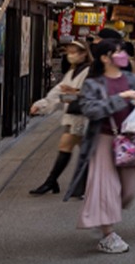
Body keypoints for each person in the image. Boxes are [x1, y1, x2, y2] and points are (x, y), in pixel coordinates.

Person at [63, 41, 135, 254]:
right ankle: (108, 233)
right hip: (103, 139)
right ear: (104, 58)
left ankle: (103, 216)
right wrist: (121, 98)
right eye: (116, 52)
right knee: (105, 187)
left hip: (129, 141)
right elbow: (91, 110)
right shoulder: (94, 83)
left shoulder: (132, 80)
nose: (122, 55)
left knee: (128, 191)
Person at [29, 40, 91, 195]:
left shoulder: (90, 71)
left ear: (84, 53)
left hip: (84, 117)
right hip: (74, 117)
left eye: (74, 52)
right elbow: (58, 91)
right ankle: (57, 182)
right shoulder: (72, 71)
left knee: (70, 148)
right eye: (69, 52)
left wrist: (66, 96)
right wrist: (43, 104)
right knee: (79, 151)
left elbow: (85, 95)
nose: (71, 55)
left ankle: (54, 182)